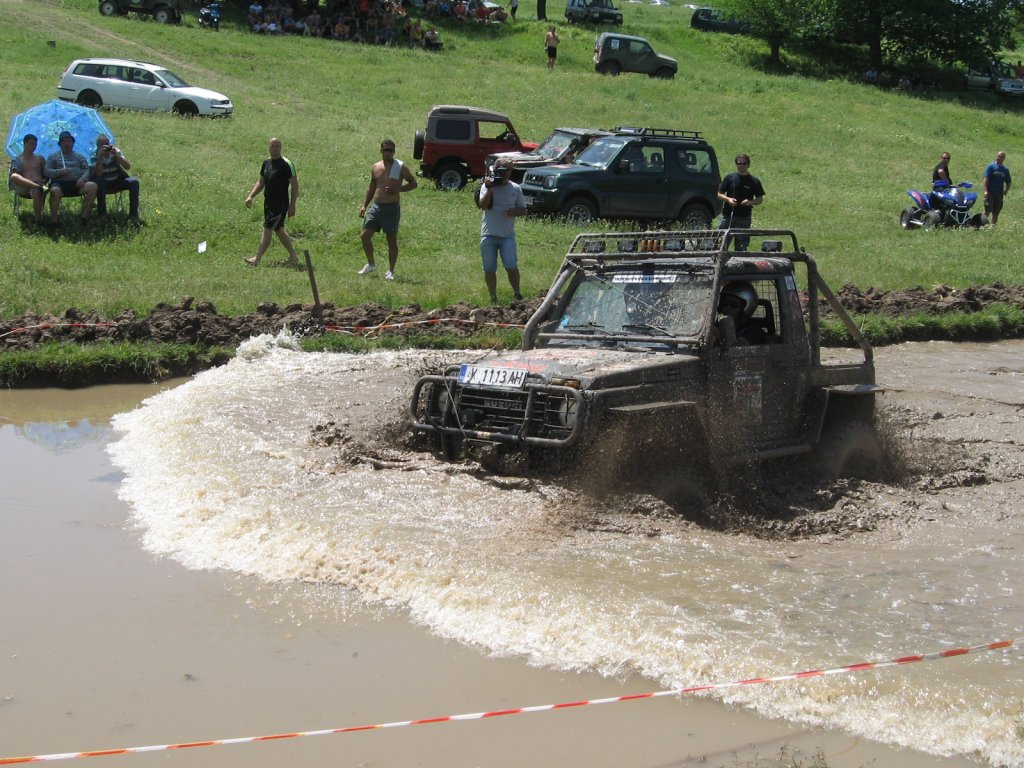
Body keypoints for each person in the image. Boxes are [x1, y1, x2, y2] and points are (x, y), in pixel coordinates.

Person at [358, 139, 418, 280]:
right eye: (386, 150)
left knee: (391, 240)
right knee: (365, 236)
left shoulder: (400, 166)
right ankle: (371, 264)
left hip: (391, 208)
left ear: (394, 152)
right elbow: (372, 187)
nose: (388, 152)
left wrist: (398, 189)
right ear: (381, 151)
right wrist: (364, 205)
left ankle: (391, 271)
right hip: (377, 207)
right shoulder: (376, 167)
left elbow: (414, 183)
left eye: (391, 150)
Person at [476, 157, 526, 303]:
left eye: (509, 170)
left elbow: (523, 210)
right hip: (488, 234)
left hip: (507, 236)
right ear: (496, 169)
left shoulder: (515, 188)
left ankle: (517, 293)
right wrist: (490, 187)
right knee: (489, 268)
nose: (506, 173)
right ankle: (493, 297)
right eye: (504, 170)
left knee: (511, 266)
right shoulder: (488, 186)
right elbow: (483, 205)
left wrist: (514, 212)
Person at [244, 137, 300, 266]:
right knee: (278, 229)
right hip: (268, 202)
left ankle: (256, 258)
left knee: (268, 228)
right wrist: (251, 196)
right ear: (268, 147)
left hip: (280, 203)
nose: (274, 148)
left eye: (277, 146)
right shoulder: (266, 163)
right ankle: (293, 256)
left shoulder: (286, 164)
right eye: (272, 146)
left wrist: (292, 206)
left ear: (281, 148)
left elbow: (295, 185)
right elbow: (261, 181)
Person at [44, 130, 98, 227]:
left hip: (77, 183)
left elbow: (87, 170)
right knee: (54, 191)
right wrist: (59, 172)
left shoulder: (79, 157)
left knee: (93, 186)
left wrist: (83, 179)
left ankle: (84, 217)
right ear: (60, 144)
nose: (66, 143)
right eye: (64, 141)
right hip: (60, 184)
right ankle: (54, 221)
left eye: (69, 141)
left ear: (73, 143)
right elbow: (46, 171)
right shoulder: (53, 157)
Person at [717, 153, 765, 251]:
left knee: (741, 247)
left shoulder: (754, 181)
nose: (741, 165)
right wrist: (728, 199)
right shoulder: (729, 178)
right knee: (721, 244)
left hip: (744, 217)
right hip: (727, 216)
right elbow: (719, 194)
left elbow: (760, 199)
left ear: (748, 164)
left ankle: (739, 265)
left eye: (744, 163)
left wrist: (750, 202)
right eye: (739, 163)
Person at [91, 135, 140, 221]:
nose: (106, 147)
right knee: (99, 181)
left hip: (117, 180)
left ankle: (133, 214)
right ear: (98, 146)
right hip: (104, 183)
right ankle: (102, 214)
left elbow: (127, 167)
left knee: (134, 182)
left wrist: (116, 155)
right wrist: (99, 158)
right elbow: (98, 174)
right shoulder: (94, 155)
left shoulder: (116, 151)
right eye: (103, 145)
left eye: (107, 144)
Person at [8, 133, 47, 225]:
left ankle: (38, 220)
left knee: (37, 191)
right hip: (24, 186)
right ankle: (36, 186)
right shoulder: (18, 159)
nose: (34, 146)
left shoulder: (40, 158)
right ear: (24, 143)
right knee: (13, 176)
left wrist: (45, 180)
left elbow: (46, 174)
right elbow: (15, 176)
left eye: (35, 144)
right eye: (31, 144)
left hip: (37, 187)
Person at [717, 281, 765, 345]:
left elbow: (738, 349)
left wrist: (719, 338)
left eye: (734, 305)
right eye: (725, 303)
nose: (727, 308)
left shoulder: (754, 332)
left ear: (745, 309)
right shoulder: (716, 326)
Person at [983, 150, 1011, 227]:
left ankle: (993, 227)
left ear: (1004, 158)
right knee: (987, 210)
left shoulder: (1005, 170)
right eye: (998, 156)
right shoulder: (991, 166)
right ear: (996, 157)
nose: (999, 158)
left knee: (996, 212)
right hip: (990, 192)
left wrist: (1006, 190)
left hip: (999, 194)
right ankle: (980, 225)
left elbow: (1008, 182)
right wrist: (985, 191)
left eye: (1001, 157)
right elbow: (986, 179)